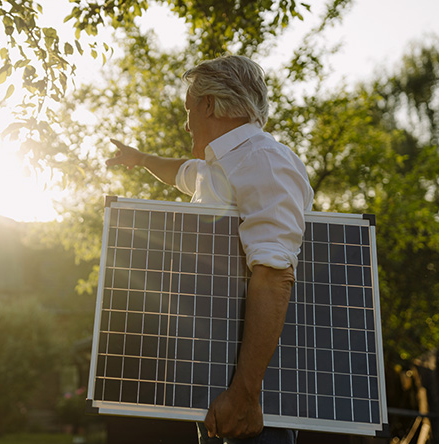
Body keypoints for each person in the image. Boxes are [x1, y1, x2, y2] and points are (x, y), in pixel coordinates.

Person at [105, 55, 314, 444]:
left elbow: (274, 275)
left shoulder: (265, 161)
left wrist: (245, 395)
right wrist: (141, 159)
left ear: (208, 105)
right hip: (220, 388)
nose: (186, 123)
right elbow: (181, 173)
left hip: (255, 398)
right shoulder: (221, 166)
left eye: (188, 109)